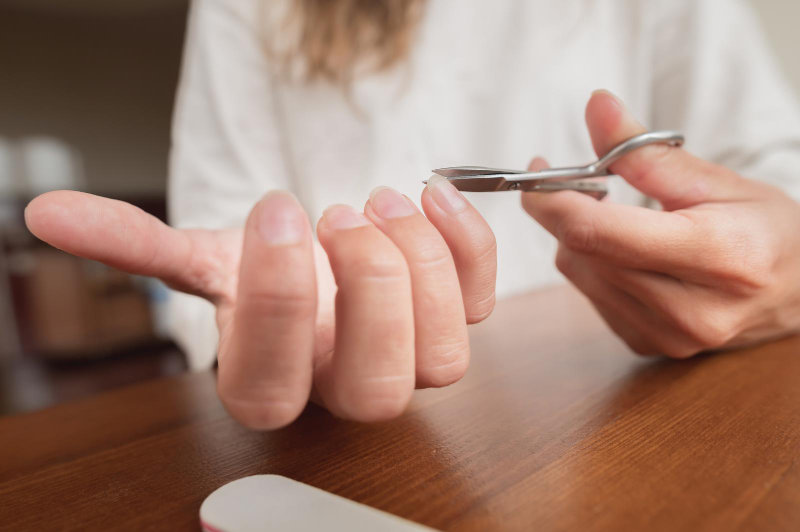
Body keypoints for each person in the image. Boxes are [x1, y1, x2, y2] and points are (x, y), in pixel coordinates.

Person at [24, 0, 800, 429]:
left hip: (623, 409)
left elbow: (773, 171)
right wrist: (274, 324)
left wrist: (777, 256)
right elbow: (227, 227)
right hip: (357, 457)